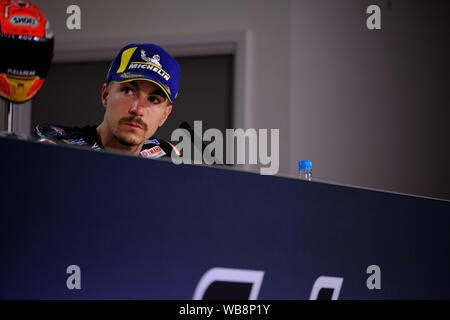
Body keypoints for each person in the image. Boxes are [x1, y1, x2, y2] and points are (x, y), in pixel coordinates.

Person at [34, 43, 181, 159]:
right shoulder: (57, 150)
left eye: (153, 99)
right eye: (128, 91)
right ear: (105, 95)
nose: (138, 109)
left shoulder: (169, 157)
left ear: (165, 115)